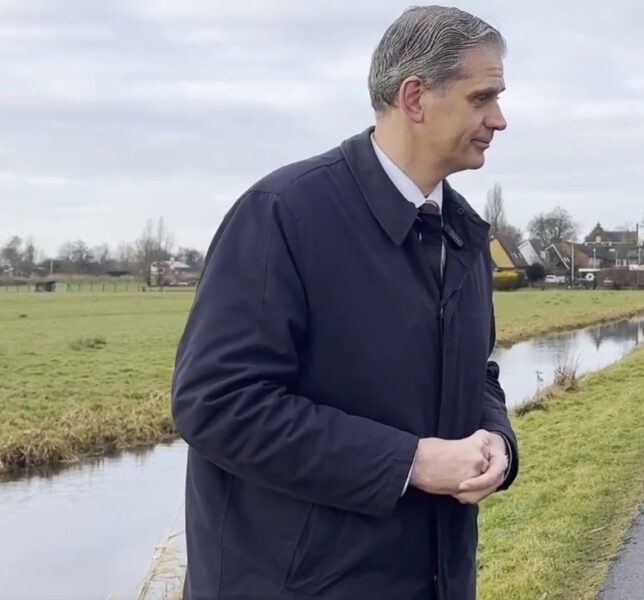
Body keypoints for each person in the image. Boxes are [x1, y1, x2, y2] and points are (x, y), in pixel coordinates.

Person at [170, 6, 517, 599]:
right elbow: (217, 404)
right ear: (415, 98)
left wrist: (495, 441)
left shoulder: (464, 233)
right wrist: (410, 461)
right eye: (482, 97)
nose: (500, 119)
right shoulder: (284, 213)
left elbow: (478, 372)